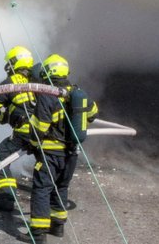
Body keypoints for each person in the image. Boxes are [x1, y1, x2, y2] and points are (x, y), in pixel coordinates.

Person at [26, 54, 98, 241]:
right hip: (71, 153)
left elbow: (39, 126)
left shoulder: (47, 95)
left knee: (42, 189)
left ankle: (38, 234)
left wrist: (32, 144)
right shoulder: (77, 94)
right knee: (61, 187)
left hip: (51, 153)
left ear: (48, 72)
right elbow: (93, 113)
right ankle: (57, 227)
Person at [0, 45, 37, 211]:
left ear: (14, 63)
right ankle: (52, 200)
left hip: (24, 134)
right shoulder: (39, 81)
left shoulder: (9, 83)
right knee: (47, 164)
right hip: (46, 134)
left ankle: (6, 198)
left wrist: (4, 119)